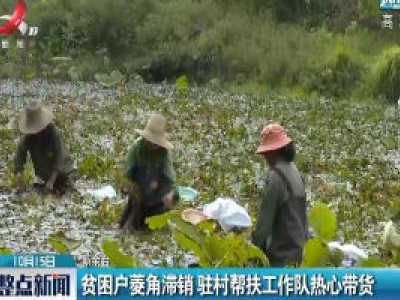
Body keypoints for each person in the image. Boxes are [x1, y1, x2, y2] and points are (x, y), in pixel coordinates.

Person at [251, 124, 308, 267]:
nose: (265, 156)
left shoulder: (276, 177)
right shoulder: (293, 170)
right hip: (299, 252)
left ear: (274, 151)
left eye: (267, 152)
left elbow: (263, 227)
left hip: (281, 257)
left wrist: (250, 253)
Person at [119, 114, 179, 233]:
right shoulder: (136, 149)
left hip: (157, 199)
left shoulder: (164, 153)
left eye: (156, 142)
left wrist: (171, 194)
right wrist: (130, 188)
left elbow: (171, 183)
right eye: (151, 141)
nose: (154, 144)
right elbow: (125, 178)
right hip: (138, 196)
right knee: (131, 226)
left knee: (159, 223)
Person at [14, 102, 74, 196]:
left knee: (65, 192)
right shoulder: (28, 137)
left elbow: (61, 158)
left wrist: (51, 181)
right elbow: (19, 157)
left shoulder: (52, 132)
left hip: (64, 175)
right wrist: (20, 177)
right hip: (45, 176)